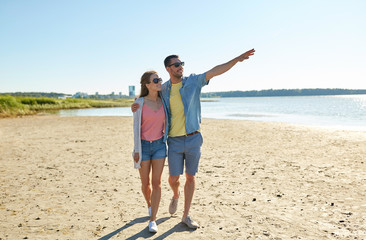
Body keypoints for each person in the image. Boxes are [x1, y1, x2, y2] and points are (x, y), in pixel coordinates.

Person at [132, 49, 255, 229]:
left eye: (182, 64)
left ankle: (186, 215)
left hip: (193, 138)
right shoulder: (164, 88)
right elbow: (147, 99)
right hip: (173, 141)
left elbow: (215, 70)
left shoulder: (194, 82)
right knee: (174, 179)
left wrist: (236, 59)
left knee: (190, 177)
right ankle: (175, 195)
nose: (180, 67)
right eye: (176, 65)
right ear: (168, 68)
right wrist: (136, 104)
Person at [132, 70, 169, 233]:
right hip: (143, 147)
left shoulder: (164, 101)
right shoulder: (139, 103)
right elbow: (135, 128)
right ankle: (149, 205)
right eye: (155, 80)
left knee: (157, 183)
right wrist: (136, 150)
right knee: (145, 183)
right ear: (147, 85)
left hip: (160, 145)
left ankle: (153, 220)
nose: (159, 82)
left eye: (159, 79)